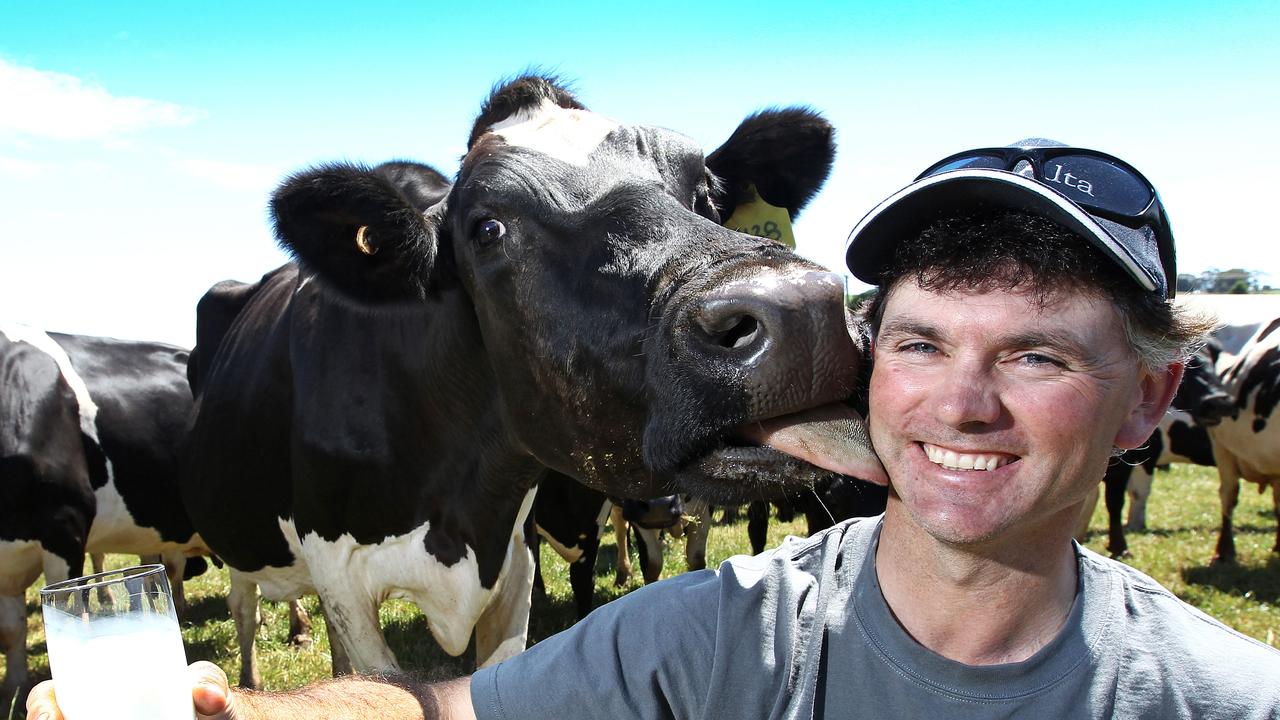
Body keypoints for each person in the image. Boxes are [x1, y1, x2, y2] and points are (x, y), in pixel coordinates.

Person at [29, 140, 1280, 719]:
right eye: (915, 342)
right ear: (864, 357)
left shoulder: (1223, 700)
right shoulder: (723, 631)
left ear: (1152, 400)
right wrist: (240, 718)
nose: (960, 404)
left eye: (1036, 356)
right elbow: (442, 712)